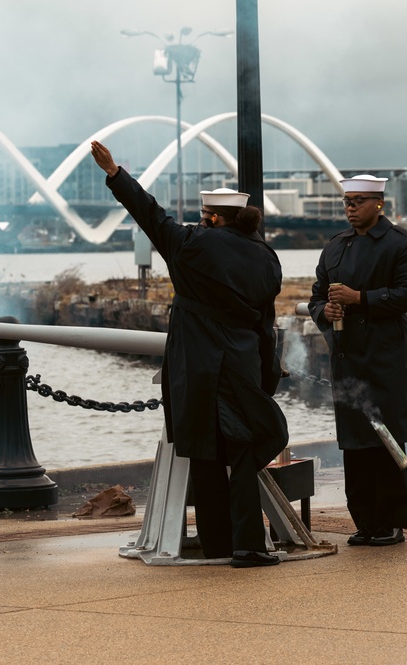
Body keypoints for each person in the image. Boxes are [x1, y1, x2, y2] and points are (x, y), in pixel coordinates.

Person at [90, 141, 287, 568]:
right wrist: (267, 375)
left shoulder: (192, 245)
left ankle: (220, 544)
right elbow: (265, 323)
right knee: (244, 452)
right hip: (241, 365)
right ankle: (249, 543)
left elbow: (150, 215)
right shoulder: (267, 258)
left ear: (214, 218)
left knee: (205, 455)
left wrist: (115, 173)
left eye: (204, 216)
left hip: (197, 368)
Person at [308, 175, 407, 547]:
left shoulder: (402, 244)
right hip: (347, 358)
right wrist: (324, 311)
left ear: (379, 204)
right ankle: (364, 521)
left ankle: (391, 521)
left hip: (385, 359)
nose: (350, 208)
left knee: (386, 441)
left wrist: (360, 297)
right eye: (347, 201)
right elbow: (315, 298)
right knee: (356, 444)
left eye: (358, 201)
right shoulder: (335, 247)